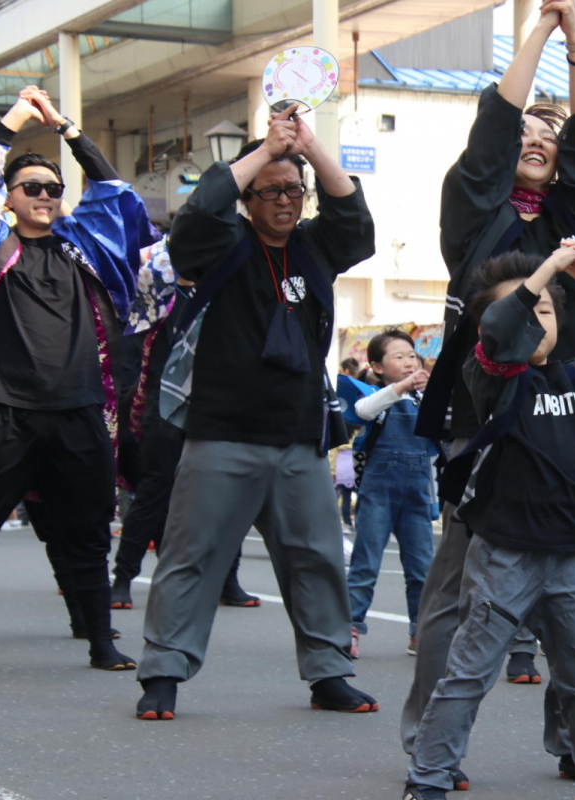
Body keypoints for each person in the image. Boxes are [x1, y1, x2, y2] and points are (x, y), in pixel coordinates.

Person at [403, 0, 575, 786]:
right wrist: (535, 29)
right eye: (529, 131)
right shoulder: (475, 215)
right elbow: (491, 132)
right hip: (485, 424)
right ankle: (427, 743)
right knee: (457, 599)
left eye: (551, 135)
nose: (539, 139)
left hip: (572, 428)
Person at [133, 105, 378, 720]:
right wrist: (263, 150)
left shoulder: (317, 248)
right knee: (192, 555)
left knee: (317, 557)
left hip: (298, 438)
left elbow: (356, 221)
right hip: (222, 433)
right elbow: (193, 219)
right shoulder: (223, 244)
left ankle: (329, 674)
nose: (286, 202)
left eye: (295, 191)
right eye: (271, 191)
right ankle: (163, 673)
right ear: (249, 198)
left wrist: (309, 148)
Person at [404, 241, 575, 800]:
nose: (537, 317)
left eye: (547, 309)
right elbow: (498, 328)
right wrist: (546, 269)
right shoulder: (489, 374)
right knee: (468, 674)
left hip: (571, 555)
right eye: (529, 307)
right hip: (506, 556)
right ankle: (427, 780)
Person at [0, 86, 158, 671]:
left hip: (80, 411)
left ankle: (101, 639)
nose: (46, 196)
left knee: (86, 533)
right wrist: (15, 122)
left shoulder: (86, 247)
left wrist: (69, 131)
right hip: (3, 412)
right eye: (32, 188)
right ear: (9, 196)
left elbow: (116, 194)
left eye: (54, 188)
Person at [109, 242, 260, 611]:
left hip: (219, 408)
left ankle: (228, 580)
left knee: (229, 498)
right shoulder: (158, 295)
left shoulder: (226, 293)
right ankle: (122, 579)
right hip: (164, 406)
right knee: (153, 495)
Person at [343, 329, 436, 659]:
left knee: (422, 568)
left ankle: (419, 631)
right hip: (378, 491)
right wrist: (400, 388)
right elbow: (364, 410)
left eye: (412, 355)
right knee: (365, 563)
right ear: (378, 367)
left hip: (416, 494)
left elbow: (441, 432)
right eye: (398, 357)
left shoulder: (426, 396)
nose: (409, 362)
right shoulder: (373, 392)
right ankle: (350, 628)